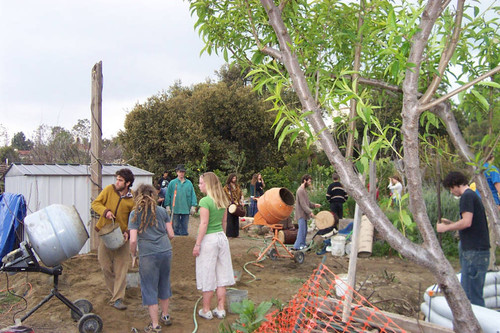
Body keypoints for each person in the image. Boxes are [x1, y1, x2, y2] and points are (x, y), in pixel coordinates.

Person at [436, 171, 490, 307]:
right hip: (475, 250)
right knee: (470, 292)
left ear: (455, 185)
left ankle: (474, 326)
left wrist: (446, 228)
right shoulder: (471, 196)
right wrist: (452, 223)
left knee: (472, 296)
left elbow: (467, 222)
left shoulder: (467, 197)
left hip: (474, 252)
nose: (451, 192)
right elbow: (469, 224)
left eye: (450, 188)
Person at [129, 184, 175, 333]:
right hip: (165, 250)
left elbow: (133, 240)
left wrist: (133, 255)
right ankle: (166, 315)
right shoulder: (161, 211)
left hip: (148, 254)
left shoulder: (135, 214)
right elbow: (172, 234)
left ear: (138, 196)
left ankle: (155, 325)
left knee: (149, 287)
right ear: (153, 195)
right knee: (164, 282)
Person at [91, 168, 135, 310]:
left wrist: (128, 231)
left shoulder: (132, 198)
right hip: (106, 234)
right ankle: (113, 292)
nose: (117, 182)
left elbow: (133, 217)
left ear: (127, 183)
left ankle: (118, 298)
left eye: (120, 180)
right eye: (117, 179)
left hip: (122, 237)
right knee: (105, 266)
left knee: (121, 268)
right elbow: (96, 204)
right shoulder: (109, 190)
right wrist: (106, 212)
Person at [193, 172, 235, 320]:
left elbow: (204, 224)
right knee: (222, 274)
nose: (199, 186)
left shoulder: (205, 201)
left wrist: (197, 244)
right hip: (221, 238)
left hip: (209, 239)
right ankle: (221, 308)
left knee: (208, 274)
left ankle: (206, 309)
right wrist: (222, 237)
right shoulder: (223, 199)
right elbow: (224, 223)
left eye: (201, 183)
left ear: (207, 184)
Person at [165, 164, 198, 236]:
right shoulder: (172, 183)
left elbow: (193, 195)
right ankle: (176, 242)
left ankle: (184, 242)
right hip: (175, 209)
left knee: (184, 227)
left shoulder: (189, 183)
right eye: (180, 172)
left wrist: (193, 206)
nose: (181, 174)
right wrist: (167, 205)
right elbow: (168, 195)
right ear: (177, 172)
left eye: (183, 172)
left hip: (186, 208)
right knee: (175, 227)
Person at [293, 174, 321, 250]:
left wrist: (315, 205)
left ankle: (303, 244)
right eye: (309, 181)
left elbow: (307, 203)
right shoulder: (300, 191)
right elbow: (303, 204)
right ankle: (297, 246)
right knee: (301, 231)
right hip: (301, 214)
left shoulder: (304, 190)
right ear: (304, 181)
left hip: (304, 214)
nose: (310, 183)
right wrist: (310, 212)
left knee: (304, 230)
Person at [223, 173, 244, 238]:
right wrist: (228, 203)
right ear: (230, 179)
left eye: (235, 178)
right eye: (233, 178)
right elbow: (225, 196)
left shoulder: (237, 186)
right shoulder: (226, 187)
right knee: (230, 220)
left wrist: (241, 201)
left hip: (237, 204)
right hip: (230, 205)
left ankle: (236, 234)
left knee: (236, 219)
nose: (234, 179)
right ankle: (229, 234)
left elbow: (240, 194)